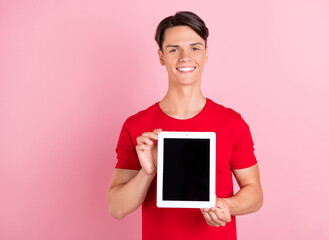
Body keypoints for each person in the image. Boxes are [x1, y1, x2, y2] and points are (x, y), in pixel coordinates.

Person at [107, 11, 263, 240]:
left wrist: (227, 205)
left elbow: (255, 193)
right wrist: (147, 172)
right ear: (161, 57)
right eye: (173, 49)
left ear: (206, 54)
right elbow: (116, 208)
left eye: (195, 48)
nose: (185, 57)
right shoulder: (137, 126)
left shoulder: (232, 123)